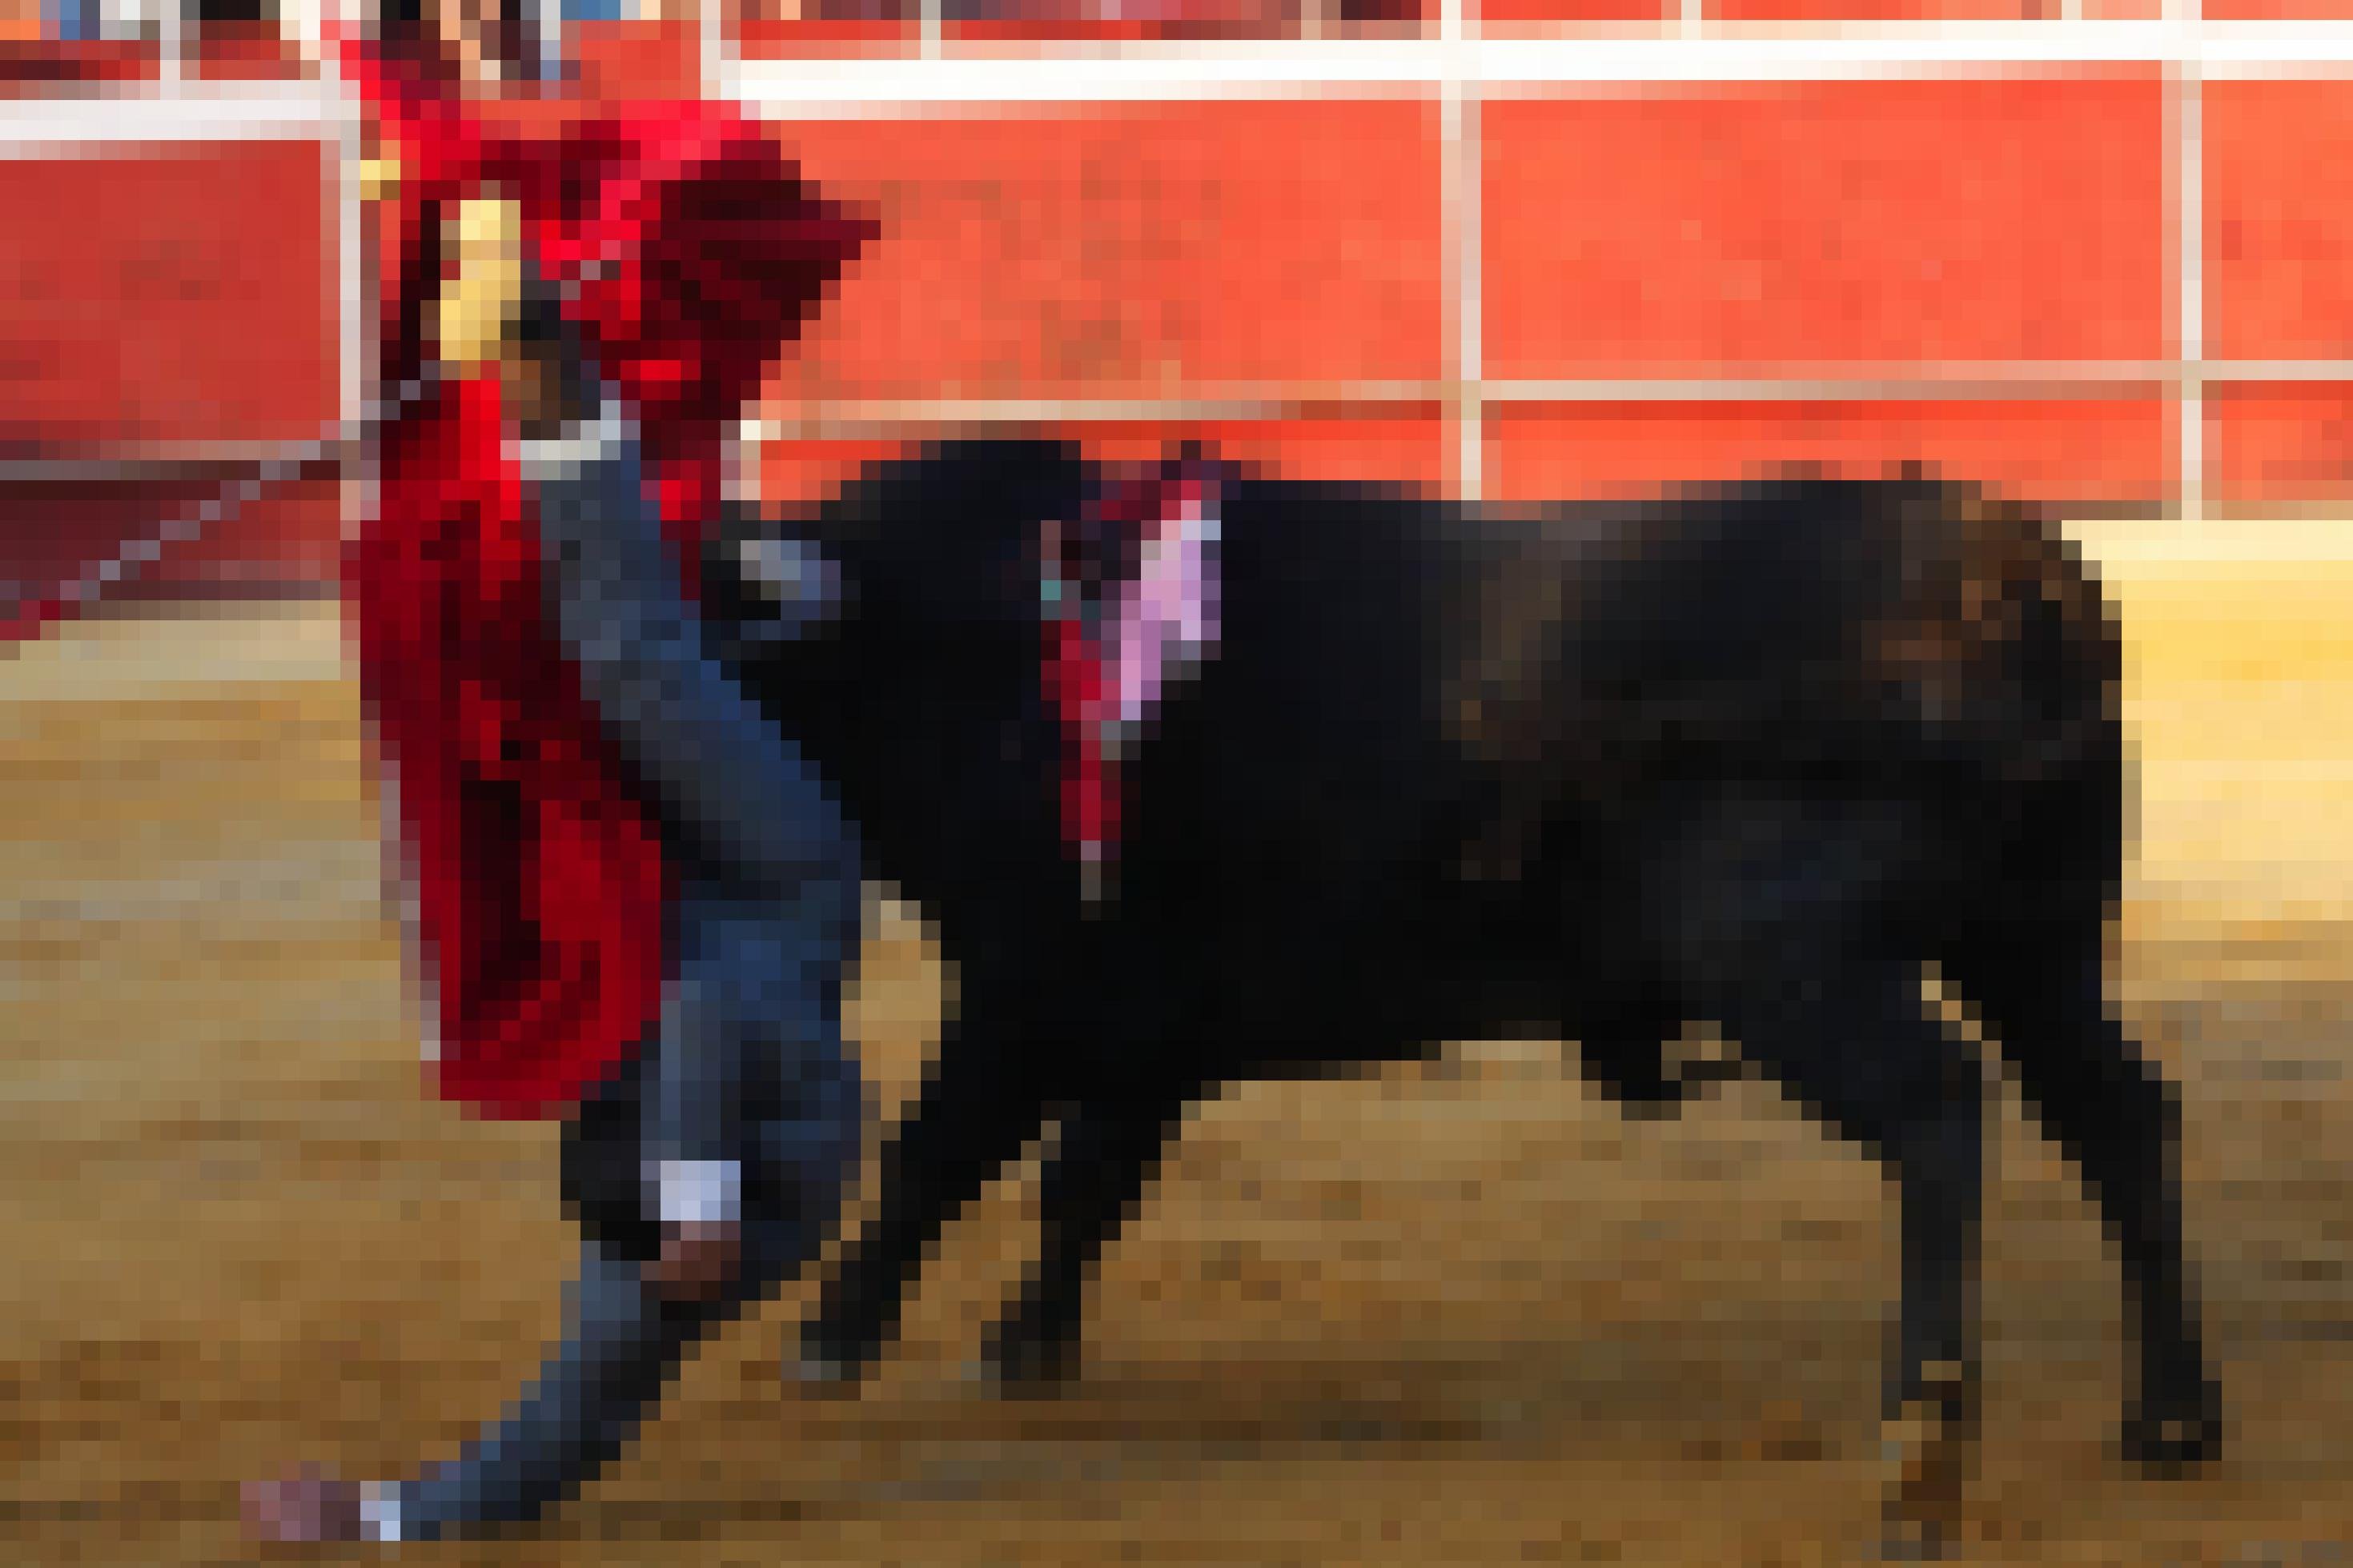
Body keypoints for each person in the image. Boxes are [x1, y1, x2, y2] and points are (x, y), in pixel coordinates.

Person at [243, 0, 877, 1540]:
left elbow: (581, 1412)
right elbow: (716, 1010)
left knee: (521, 708)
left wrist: (388, 1515)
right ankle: (554, 368)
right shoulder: (754, 1190)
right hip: (771, 874)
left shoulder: (638, 1286)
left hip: (659, 908)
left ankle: (540, 382)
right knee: (630, 668)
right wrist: (709, 1206)